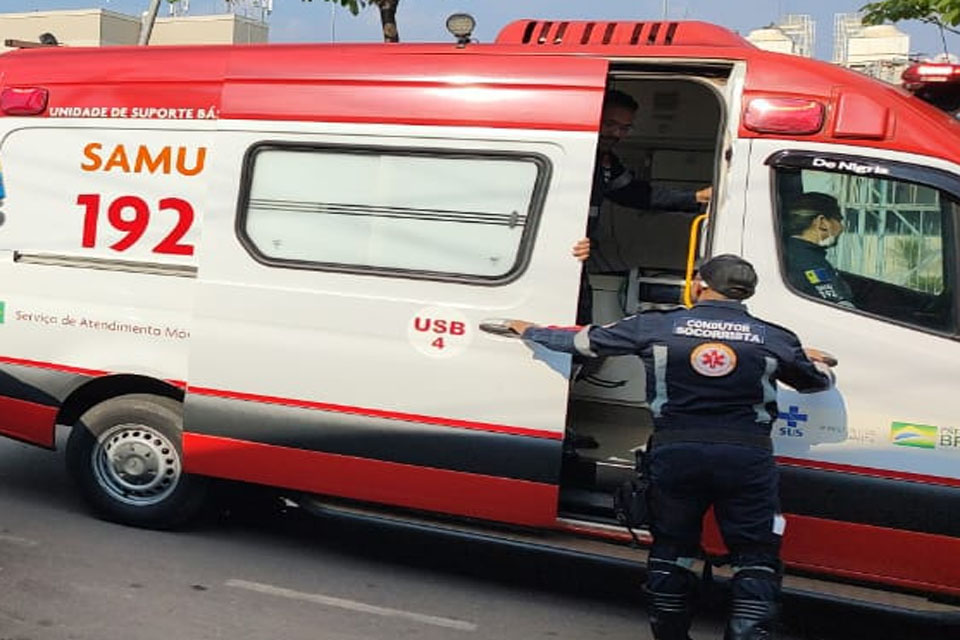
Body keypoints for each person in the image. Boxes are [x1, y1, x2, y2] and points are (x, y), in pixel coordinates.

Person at [505, 255, 836, 640]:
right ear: (747, 293)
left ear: (699, 285)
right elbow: (815, 382)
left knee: (672, 548)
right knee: (756, 556)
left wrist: (531, 331)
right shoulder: (775, 337)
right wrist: (814, 360)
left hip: (675, 454)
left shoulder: (656, 324)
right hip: (746, 459)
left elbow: (582, 342)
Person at [576, 89, 712, 322]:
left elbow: (636, 194)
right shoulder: (572, 157)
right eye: (610, 124)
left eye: (625, 128)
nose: (617, 134)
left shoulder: (605, 161)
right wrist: (561, 241)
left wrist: (695, 197)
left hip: (579, 262)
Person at [783, 192, 855, 308]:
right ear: (822, 222)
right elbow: (837, 307)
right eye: (839, 220)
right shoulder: (809, 262)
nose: (841, 228)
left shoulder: (789, 254)